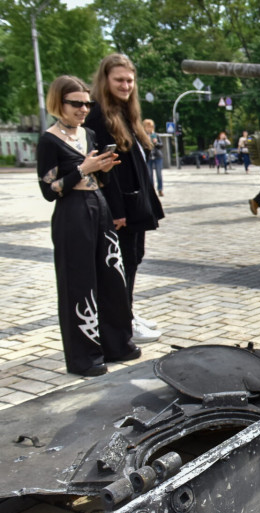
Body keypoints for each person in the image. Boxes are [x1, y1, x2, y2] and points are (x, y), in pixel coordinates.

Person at [36, 75, 139, 376]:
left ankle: (117, 344)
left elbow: (98, 178)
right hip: (72, 213)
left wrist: (103, 169)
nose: (83, 109)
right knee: (78, 284)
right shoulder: (49, 140)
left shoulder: (89, 134)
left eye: (87, 103)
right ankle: (85, 358)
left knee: (112, 278)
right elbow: (48, 190)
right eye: (76, 104)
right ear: (59, 103)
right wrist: (83, 168)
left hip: (99, 206)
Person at [86, 53, 164, 343]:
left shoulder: (124, 112)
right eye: (119, 79)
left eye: (129, 80)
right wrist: (116, 210)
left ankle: (127, 313)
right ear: (105, 80)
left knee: (133, 258)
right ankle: (121, 322)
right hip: (121, 207)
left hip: (136, 201)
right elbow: (107, 171)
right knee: (123, 263)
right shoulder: (99, 115)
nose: (125, 85)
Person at [143, 119, 164, 196]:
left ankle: (160, 189)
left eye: (151, 127)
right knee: (150, 175)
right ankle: (151, 191)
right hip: (148, 158)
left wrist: (155, 142)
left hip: (157, 157)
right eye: (147, 127)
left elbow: (161, 146)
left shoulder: (156, 135)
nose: (149, 128)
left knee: (159, 174)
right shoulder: (143, 136)